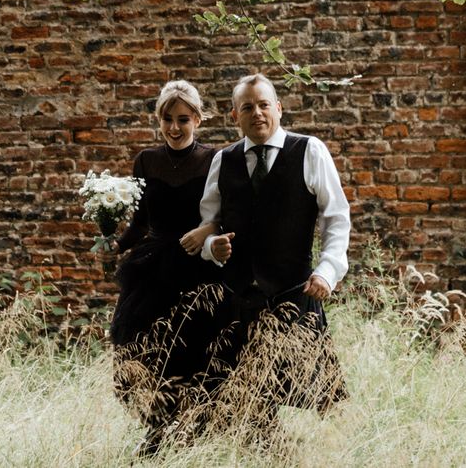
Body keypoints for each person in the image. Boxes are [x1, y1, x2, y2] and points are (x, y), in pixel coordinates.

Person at [197, 73, 350, 429]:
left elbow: (337, 218)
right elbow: (209, 222)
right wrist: (210, 247)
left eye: (264, 104)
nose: (258, 113)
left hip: (296, 294)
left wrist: (328, 270)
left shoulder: (309, 150)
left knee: (323, 402)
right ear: (235, 116)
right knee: (245, 407)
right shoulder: (224, 160)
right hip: (239, 300)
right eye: (247, 107)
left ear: (278, 108)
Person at [108, 80, 222, 455]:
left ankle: (193, 428)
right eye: (167, 119)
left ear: (198, 119)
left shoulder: (213, 159)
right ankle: (156, 427)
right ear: (159, 119)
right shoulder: (146, 160)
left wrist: (205, 231)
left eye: (183, 119)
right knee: (137, 347)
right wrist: (118, 242)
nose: (175, 127)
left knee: (190, 349)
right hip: (152, 266)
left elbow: (225, 214)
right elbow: (140, 220)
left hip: (196, 263)